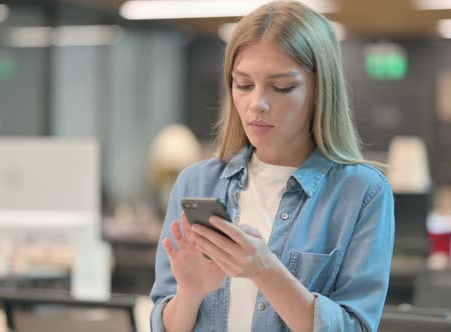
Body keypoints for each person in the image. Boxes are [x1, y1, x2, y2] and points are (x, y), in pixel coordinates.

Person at [150, 1, 395, 331]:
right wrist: (190, 293)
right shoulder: (196, 183)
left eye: (282, 87)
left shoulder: (363, 192)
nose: (257, 104)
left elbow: (357, 327)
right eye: (243, 84)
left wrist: (266, 270)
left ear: (320, 91)